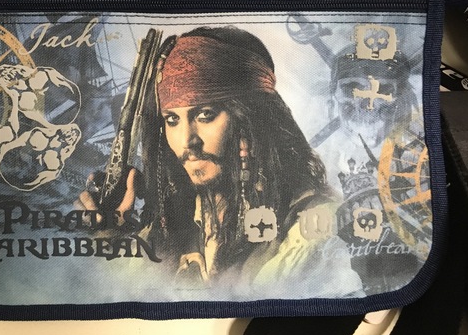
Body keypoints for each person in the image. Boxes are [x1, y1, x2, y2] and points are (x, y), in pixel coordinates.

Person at [81, 25, 363, 295]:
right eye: (172, 119)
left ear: (249, 118)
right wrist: (111, 235)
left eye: (205, 115)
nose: (187, 140)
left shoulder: (313, 224)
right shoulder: (178, 220)